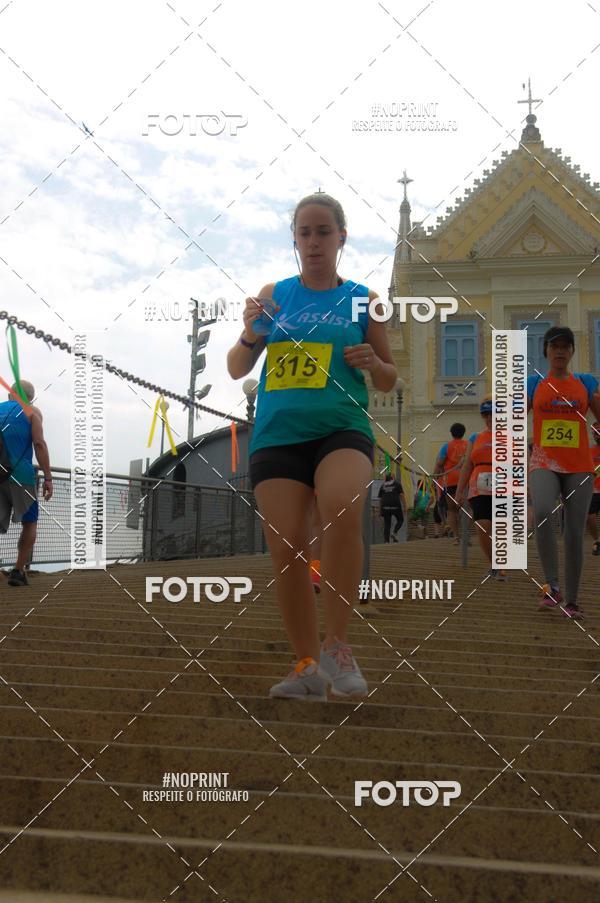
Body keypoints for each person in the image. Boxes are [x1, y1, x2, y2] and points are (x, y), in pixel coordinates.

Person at [227, 192, 397, 700]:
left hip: (341, 427)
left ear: (341, 237)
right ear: (295, 240)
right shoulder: (273, 294)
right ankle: (305, 667)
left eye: (324, 231)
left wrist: (372, 361)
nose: (314, 241)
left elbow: (389, 379)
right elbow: (237, 367)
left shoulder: (364, 298)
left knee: (343, 508)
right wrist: (250, 333)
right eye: (305, 232)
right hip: (278, 434)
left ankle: (337, 647)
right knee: (286, 548)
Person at [528, 326, 600, 619]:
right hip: (544, 462)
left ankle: (571, 600)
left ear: (572, 352)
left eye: (565, 346)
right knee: (543, 511)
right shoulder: (533, 384)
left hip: (579, 465)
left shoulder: (585, 382)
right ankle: (552, 585)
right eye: (554, 346)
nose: (559, 351)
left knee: (574, 532)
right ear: (545, 350)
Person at [0, 380, 53, 586]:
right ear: (30, 397)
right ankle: (18, 571)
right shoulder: (32, 412)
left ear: (10, 394)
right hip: (21, 475)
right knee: (29, 522)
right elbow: (39, 444)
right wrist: (48, 477)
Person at [455, 396, 506, 580]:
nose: (490, 417)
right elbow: (467, 464)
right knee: (483, 525)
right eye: (486, 414)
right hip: (479, 485)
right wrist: (460, 490)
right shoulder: (475, 437)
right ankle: (494, 563)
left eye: (494, 413)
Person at [434, 423, 468, 544]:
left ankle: (456, 537)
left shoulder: (446, 446)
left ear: (451, 433)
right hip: (467, 480)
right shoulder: (469, 445)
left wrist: (435, 477)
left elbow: (439, 463)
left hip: (451, 480)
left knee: (452, 510)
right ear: (463, 433)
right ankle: (465, 536)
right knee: (465, 508)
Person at [378, 471, 405, 542]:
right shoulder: (397, 484)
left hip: (385, 506)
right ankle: (394, 532)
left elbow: (380, 500)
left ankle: (386, 541)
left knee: (387, 524)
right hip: (395, 505)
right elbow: (401, 496)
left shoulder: (382, 486)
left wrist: (380, 511)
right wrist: (405, 506)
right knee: (400, 520)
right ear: (392, 478)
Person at [585, 422, 600, 555]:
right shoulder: (589, 450)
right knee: (589, 516)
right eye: (595, 432)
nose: (597, 435)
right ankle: (597, 540)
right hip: (594, 490)